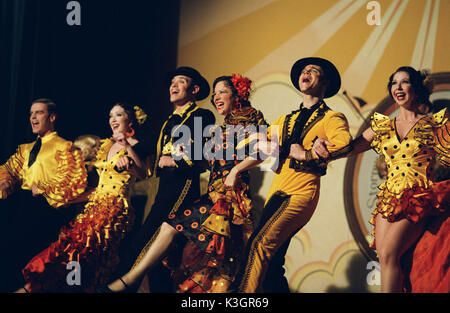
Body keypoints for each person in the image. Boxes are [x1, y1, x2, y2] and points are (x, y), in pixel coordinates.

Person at [104, 74, 267, 292]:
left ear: (236, 94)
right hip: (212, 195)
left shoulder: (240, 117)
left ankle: (127, 281)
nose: (216, 97)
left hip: (227, 198)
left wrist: (234, 169)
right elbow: (208, 161)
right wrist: (126, 149)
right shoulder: (221, 128)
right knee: (189, 254)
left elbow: (266, 150)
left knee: (230, 262)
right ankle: (130, 280)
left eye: (222, 91)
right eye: (215, 93)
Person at [310, 66, 449, 292]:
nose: (399, 87)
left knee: (389, 253)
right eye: (394, 83)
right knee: (384, 259)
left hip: (418, 197)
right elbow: (350, 148)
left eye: (404, 82)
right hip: (389, 199)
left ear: (416, 88)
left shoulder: (433, 124)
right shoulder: (383, 127)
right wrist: (321, 146)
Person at [227, 57, 352, 292]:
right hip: (278, 192)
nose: (306, 73)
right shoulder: (285, 120)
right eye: (304, 70)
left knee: (259, 244)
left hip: (301, 193)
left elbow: (345, 145)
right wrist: (236, 168)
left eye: (312, 70)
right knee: (273, 264)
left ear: (324, 82)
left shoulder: (332, 118)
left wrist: (306, 155)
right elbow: (264, 149)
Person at [16, 103, 149, 292]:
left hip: (114, 208)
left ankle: (43, 286)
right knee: (79, 259)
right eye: (110, 115)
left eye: (118, 114)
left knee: (75, 252)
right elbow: (94, 187)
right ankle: (65, 287)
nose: (113, 119)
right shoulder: (106, 145)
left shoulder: (135, 145)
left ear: (130, 120)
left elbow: (143, 173)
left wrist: (127, 147)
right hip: (95, 205)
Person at [111, 67, 216, 292]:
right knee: (165, 258)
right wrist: (124, 150)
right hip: (164, 187)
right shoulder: (168, 122)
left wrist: (175, 158)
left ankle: (117, 288)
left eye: (180, 81)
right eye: (172, 82)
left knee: (144, 240)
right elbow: (146, 147)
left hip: (182, 186)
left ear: (194, 89)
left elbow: (200, 149)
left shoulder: (201, 115)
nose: (173, 86)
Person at [0, 98, 88, 292]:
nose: (33, 117)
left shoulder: (64, 146)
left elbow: (74, 179)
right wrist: (6, 180)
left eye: (39, 112)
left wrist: (45, 188)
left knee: (37, 258)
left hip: (46, 209)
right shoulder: (26, 149)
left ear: (52, 117)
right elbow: (9, 168)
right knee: (12, 253)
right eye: (31, 113)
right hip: (22, 205)